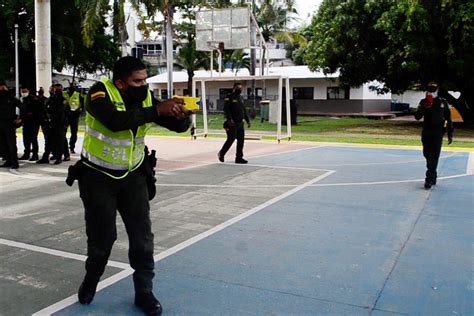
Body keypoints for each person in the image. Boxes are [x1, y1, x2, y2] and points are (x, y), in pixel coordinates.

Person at [72, 56, 190, 316]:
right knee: (102, 239)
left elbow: (175, 125)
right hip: (97, 178)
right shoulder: (99, 93)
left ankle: (144, 292)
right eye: (138, 81)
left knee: (142, 239)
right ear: (121, 83)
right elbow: (114, 122)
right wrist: (158, 110)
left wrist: (182, 116)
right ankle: (92, 279)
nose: (144, 85)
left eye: (146, 79)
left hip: (134, 177)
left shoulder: (147, 99)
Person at [415, 82, 454, 189]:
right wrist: (423, 107)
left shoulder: (443, 102)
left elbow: (448, 118)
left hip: (438, 132)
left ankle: (429, 179)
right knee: (426, 153)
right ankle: (433, 173)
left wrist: (450, 133)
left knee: (434, 155)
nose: (432, 91)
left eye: (434, 89)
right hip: (426, 131)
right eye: (430, 89)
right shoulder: (423, 102)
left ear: (437, 90)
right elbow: (417, 117)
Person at [218, 82, 251, 164]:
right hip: (232, 123)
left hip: (240, 123)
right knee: (231, 139)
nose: (240, 89)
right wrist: (229, 119)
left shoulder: (240, 98)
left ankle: (239, 157)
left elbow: (243, 110)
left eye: (241, 88)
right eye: (238, 88)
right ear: (234, 88)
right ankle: (221, 153)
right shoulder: (229, 97)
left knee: (241, 141)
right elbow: (226, 109)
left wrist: (248, 121)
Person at [0, 80, 22, 169]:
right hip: (0, 123)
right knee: (3, 143)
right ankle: (8, 160)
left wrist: (20, 119)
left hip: (9, 123)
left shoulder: (11, 97)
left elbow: (22, 106)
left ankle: (14, 162)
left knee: (11, 143)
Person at [19, 87, 43, 161]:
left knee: (33, 138)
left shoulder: (33, 99)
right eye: (22, 91)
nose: (23, 92)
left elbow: (39, 109)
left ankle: (35, 155)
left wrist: (32, 114)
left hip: (33, 122)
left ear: (28, 91)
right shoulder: (22, 99)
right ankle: (27, 154)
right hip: (26, 122)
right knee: (26, 138)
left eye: (25, 91)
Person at [48, 83, 70, 164]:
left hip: (61, 123)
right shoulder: (52, 98)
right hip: (53, 122)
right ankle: (57, 154)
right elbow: (47, 107)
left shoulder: (63, 100)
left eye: (58, 88)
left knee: (61, 140)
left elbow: (63, 111)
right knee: (56, 140)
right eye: (55, 88)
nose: (56, 90)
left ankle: (60, 156)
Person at [63, 82, 83, 153]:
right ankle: (63, 146)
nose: (71, 87)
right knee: (63, 132)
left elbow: (82, 105)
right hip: (65, 116)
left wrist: (79, 111)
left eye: (73, 86)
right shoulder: (64, 93)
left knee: (74, 132)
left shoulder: (78, 95)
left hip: (74, 116)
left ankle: (72, 147)